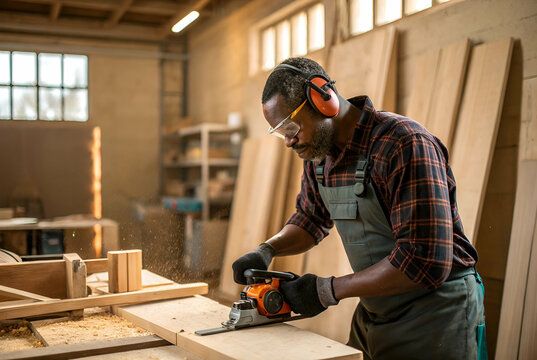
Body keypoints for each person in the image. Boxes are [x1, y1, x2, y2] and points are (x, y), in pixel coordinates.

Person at [231, 57, 487, 360]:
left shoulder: (403, 144)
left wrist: (327, 290)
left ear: (322, 99)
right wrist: (267, 250)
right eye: (280, 132)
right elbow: (310, 219)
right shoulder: (320, 157)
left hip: (439, 314)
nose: (288, 142)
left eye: (290, 126)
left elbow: (424, 261)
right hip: (378, 311)